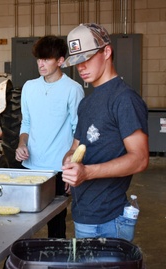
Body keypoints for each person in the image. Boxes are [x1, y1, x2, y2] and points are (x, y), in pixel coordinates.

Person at [61, 23, 149, 241]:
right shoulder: (86, 103)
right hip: (84, 214)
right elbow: (75, 146)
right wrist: (69, 163)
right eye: (76, 61)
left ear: (107, 51)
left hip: (108, 220)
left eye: (87, 58)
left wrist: (87, 172)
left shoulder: (124, 99)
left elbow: (139, 159)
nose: (80, 66)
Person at [15, 35, 84, 238]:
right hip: (30, 167)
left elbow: (78, 131)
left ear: (60, 61)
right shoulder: (29, 87)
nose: (41, 64)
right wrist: (21, 144)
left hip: (57, 170)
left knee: (56, 226)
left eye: (46, 59)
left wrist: (72, 169)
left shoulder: (73, 89)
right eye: (39, 59)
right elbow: (26, 123)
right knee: (23, 224)